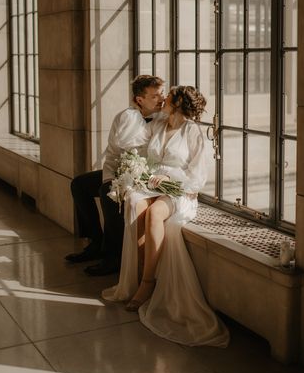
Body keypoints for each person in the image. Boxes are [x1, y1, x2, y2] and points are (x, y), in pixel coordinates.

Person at [102, 85, 229, 348]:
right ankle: (136, 278)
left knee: (155, 214)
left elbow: (197, 175)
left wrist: (170, 180)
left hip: (179, 191)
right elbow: (130, 143)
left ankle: (148, 283)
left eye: (167, 97)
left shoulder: (192, 132)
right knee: (135, 206)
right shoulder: (158, 124)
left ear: (178, 104)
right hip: (150, 184)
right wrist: (131, 165)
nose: (162, 100)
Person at [65, 75, 165, 275]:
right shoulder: (125, 117)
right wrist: (111, 178)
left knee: (106, 193)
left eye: (162, 93)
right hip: (121, 171)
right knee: (79, 184)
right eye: (155, 96)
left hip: (149, 177)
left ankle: (113, 257)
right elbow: (113, 154)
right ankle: (95, 242)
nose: (161, 98)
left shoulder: (163, 119)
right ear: (139, 99)